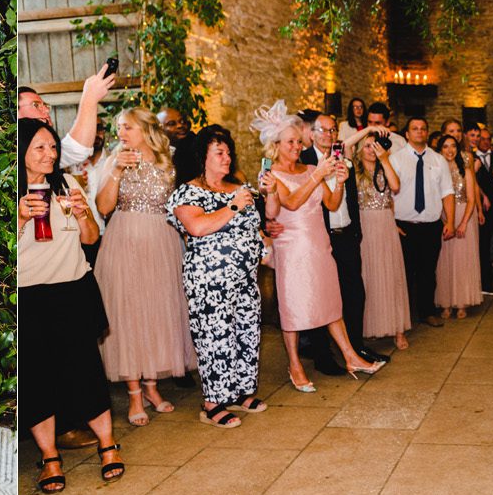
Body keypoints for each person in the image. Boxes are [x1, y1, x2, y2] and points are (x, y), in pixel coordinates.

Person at [18, 117, 120, 493]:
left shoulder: (68, 184)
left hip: (72, 288)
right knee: (37, 378)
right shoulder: (10, 194)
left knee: (86, 369)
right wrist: (18, 216)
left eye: (52, 147)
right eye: (40, 148)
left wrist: (83, 214)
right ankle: (50, 458)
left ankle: (109, 446)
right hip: (30, 294)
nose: (49, 154)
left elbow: (91, 238)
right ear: (22, 153)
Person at [256, 103, 382, 390]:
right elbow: (291, 202)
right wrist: (318, 176)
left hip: (319, 245)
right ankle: (294, 365)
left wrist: (338, 182)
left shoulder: (311, 168)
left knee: (330, 301)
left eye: (299, 142)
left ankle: (351, 356)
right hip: (293, 249)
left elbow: (332, 204)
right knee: (293, 309)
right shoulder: (271, 176)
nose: (297, 147)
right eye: (291, 142)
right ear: (277, 145)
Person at [94, 107, 196, 426]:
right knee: (129, 314)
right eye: (119, 128)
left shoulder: (168, 157)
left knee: (156, 312)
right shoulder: (116, 160)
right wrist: (116, 172)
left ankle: (152, 387)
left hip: (162, 242)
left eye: (128, 127)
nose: (122, 133)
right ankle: (135, 394)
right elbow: (103, 207)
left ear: (145, 129)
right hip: (125, 240)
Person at [169, 124, 268, 429]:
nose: (227, 158)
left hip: (246, 277)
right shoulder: (188, 191)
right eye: (219, 153)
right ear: (203, 156)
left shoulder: (236, 186)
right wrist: (235, 205)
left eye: (229, 152)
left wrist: (262, 240)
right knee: (215, 337)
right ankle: (212, 402)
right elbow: (197, 227)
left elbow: (255, 225)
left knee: (246, 333)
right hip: (210, 281)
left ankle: (239, 392)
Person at [349, 127, 411, 349]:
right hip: (364, 226)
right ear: (359, 149)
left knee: (390, 274)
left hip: (385, 225)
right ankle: (371, 326)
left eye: (374, 145)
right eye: (367, 146)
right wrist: (367, 129)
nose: (371, 150)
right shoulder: (352, 171)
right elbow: (345, 146)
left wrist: (384, 159)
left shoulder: (386, 167)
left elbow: (395, 187)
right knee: (369, 276)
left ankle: (398, 329)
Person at [391, 116, 453, 330]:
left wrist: (451, 221)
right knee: (405, 272)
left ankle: (427, 312)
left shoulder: (438, 160)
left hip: (431, 224)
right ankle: (404, 316)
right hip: (403, 225)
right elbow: (387, 195)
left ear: (427, 133)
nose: (419, 132)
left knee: (428, 271)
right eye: (414, 129)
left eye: (423, 129)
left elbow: (447, 192)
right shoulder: (395, 159)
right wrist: (391, 223)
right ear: (406, 134)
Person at [434, 131, 485, 318]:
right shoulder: (436, 169)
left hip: (465, 215)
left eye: (453, 146)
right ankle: (446, 303)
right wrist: (444, 220)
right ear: (440, 150)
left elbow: (472, 198)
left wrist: (463, 223)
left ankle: (462, 302)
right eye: (446, 146)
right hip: (443, 216)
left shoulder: (466, 168)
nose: (450, 150)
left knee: (462, 261)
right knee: (444, 262)